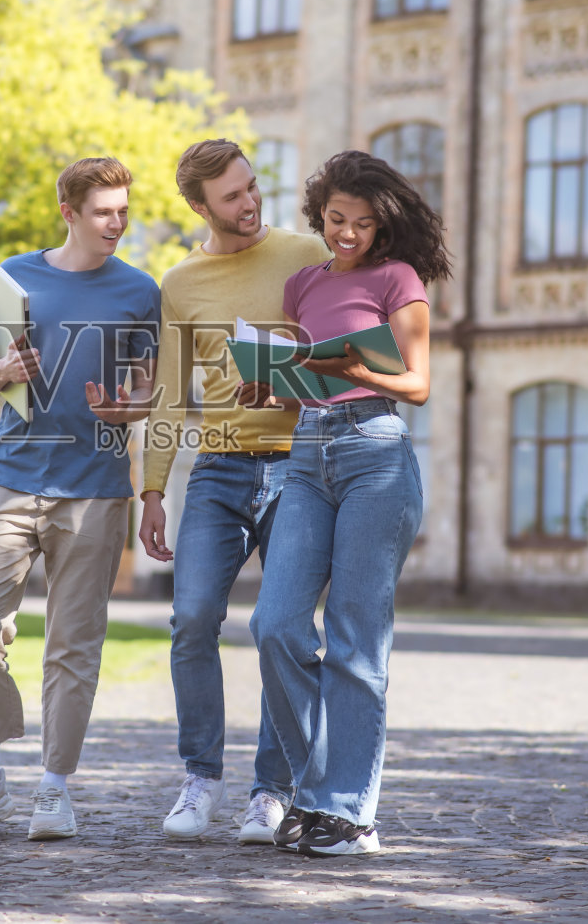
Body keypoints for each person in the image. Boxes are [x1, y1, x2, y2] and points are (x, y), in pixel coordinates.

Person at [0, 157, 160, 841]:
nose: (116, 223)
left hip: (95, 488)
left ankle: (54, 787)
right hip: (13, 476)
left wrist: (127, 407)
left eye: (123, 211)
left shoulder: (139, 291)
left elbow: (149, 390)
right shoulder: (15, 278)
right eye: (103, 212)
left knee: (74, 642)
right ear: (69, 213)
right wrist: (4, 369)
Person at [248, 149, 449, 856]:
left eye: (363, 224)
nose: (348, 233)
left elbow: (417, 384)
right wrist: (269, 384)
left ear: (382, 226)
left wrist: (362, 368)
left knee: (356, 640)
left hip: (375, 455)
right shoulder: (302, 285)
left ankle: (348, 813)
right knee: (275, 624)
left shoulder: (399, 278)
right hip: (306, 455)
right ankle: (314, 792)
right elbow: (302, 380)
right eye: (337, 219)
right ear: (319, 215)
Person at [139, 139, 332, 842]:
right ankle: (201, 777)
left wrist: (289, 377)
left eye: (251, 186)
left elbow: (342, 356)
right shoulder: (181, 282)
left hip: (300, 467)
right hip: (218, 469)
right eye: (232, 196)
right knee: (191, 618)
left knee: (282, 630)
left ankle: (271, 792)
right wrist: (152, 491)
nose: (249, 203)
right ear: (200, 206)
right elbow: (169, 393)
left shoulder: (308, 255)